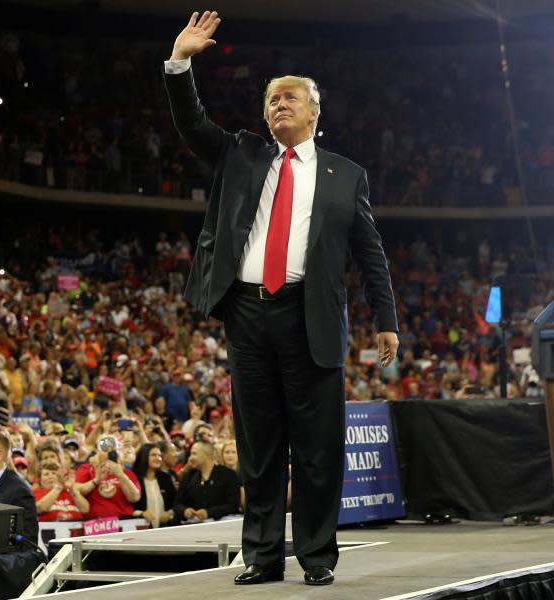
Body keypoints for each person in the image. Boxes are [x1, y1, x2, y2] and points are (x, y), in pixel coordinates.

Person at [164, 11, 399, 586]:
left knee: (318, 448)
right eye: (272, 100)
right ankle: (263, 558)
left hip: (310, 315)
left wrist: (385, 319)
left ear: (315, 112)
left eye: (291, 98)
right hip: (247, 310)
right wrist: (180, 62)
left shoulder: (347, 175)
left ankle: (316, 557)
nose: (279, 106)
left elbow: (370, 253)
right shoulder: (240, 152)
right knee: (260, 444)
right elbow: (193, 126)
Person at [131, 443, 177, 528]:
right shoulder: (134, 478)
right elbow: (129, 507)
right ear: (144, 457)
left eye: (159, 455)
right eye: (153, 455)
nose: (158, 458)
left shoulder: (166, 478)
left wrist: (169, 513)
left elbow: (176, 503)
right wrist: (141, 513)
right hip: (141, 530)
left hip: (165, 530)